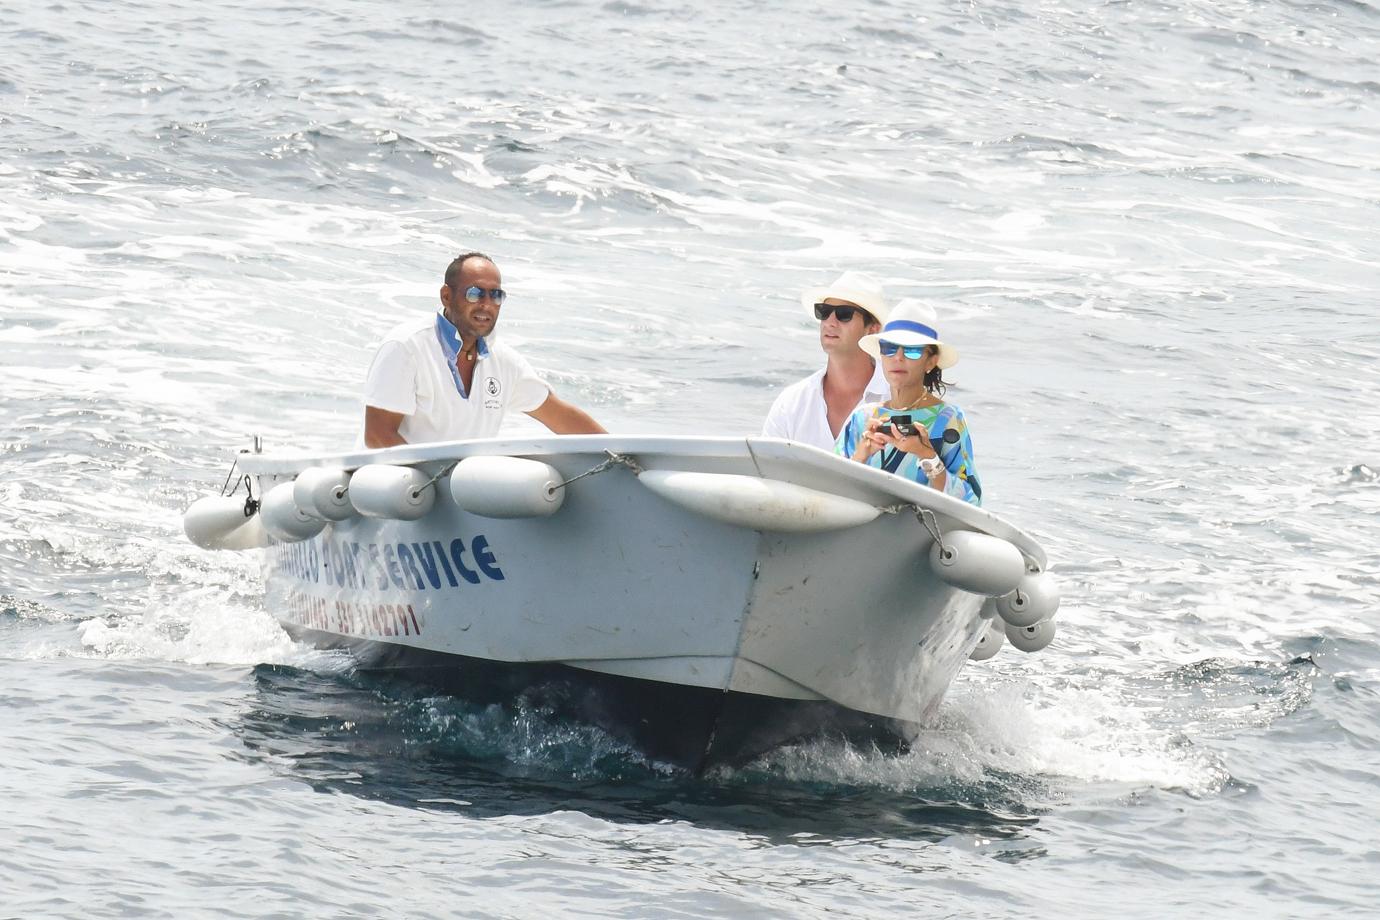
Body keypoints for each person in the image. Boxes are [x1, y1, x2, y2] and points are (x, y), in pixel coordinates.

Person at [361, 252, 606, 447]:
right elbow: (378, 436)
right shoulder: (406, 347)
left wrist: (625, 456)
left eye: (495, 295)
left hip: (460, 491)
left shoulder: (504, 361)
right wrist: (438, 489)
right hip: (398, 491)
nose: (487, 305)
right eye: (475, 293)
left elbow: (559, 416)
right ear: (446, 296)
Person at [834, 299, 982, 505]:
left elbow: (972, 500)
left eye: (912, 350)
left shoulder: (947, 420)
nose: (898, 358)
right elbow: (831, 489)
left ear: (931, 361)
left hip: (923, 532)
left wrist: (926, 454)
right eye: (889, 349)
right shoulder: (863, 418)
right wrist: (862, 454)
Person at [761, 270, 890, 450]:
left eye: (844, 314)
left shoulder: (898, 399)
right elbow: (767, 471)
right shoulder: (791, 403)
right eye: (824, 312)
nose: (830, 322)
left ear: (873, 329)